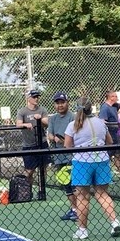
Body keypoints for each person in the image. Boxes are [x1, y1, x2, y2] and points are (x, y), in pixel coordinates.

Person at [64, 97, 120, 240]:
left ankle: (82, 230)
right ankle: (114, 222)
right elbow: (109, 141)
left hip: (82, 162)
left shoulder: (72, 125)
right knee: (102, 194)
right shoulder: (100, 123)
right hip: (101, 160)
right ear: (91, 108)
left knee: (82, 197)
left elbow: (67, 146)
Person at [46, 92, 77, 221]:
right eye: (57, 103)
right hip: (59, 156)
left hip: (71, 156)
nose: (60, 105)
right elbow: (49, 134)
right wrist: (56, 139)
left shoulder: (73, 117)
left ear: (67, 103)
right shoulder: (53, 118)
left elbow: (76, 134)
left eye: (62, 102)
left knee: (74, 184)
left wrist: (66, 140)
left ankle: (79, 210)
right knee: (66, 184)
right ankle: (74, 209)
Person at [15, 89, 49, 187]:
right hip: (29, 144)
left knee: (43, 168)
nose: (36, 99)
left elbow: (46, 122)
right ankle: (27, 189)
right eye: (34, 97)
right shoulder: (22, 111)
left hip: (41, 142)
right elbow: (18, 124)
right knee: (29, 171)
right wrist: (26, 124)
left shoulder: (42, 110)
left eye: (37, 97)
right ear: (28, 98)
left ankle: (42, 189)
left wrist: (40, 119)